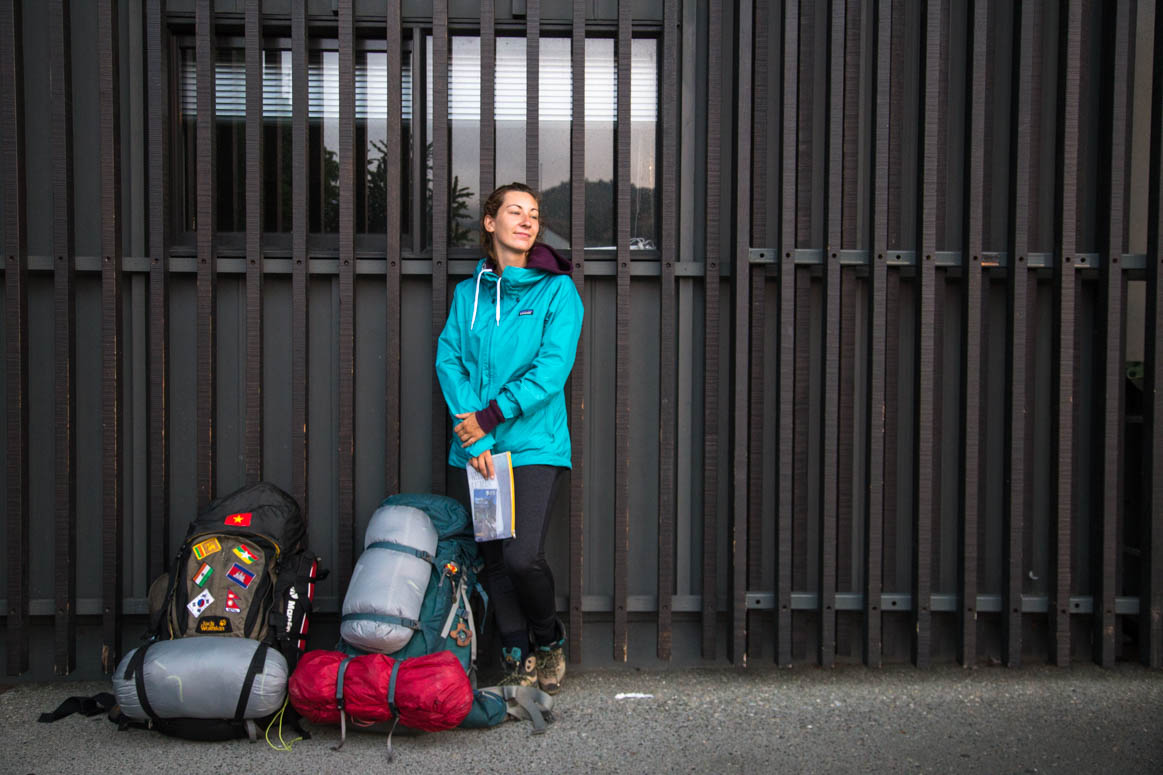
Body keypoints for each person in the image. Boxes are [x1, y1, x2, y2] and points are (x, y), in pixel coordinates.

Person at [436, 182, 583, 694]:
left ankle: (548, 639)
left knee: (523, 557)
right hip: (480, 452)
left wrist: (491, 416)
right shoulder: (467, 293)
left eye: (534, 214)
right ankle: (516, 651)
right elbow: (449, 360)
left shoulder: (558, 291)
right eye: (515, 212)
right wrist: (473, 436)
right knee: (495, 560)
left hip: (535, 445)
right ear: (490, 223)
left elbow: (551, 370)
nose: (527, 221)